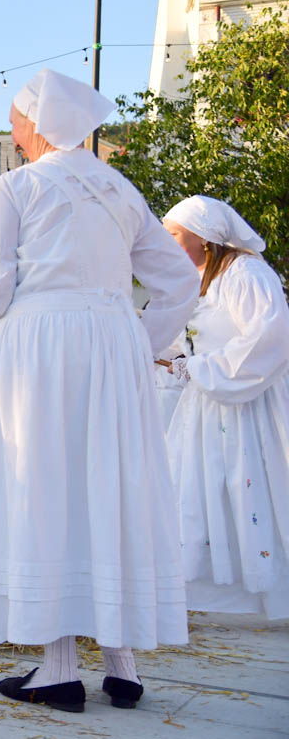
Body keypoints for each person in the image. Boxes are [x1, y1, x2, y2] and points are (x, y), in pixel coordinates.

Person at [0, 69, 199, 712]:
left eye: (15, 120)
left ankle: (60, 669)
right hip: (110, 346)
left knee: (42, 485)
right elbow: (180, 282)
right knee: (105, 486)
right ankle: (122, 666)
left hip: (40, 348)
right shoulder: (120, 190)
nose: (11, 132)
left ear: (38, 127)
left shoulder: (20, 186)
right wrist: (136, 342)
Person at [162, 195, 289, 620]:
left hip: (249, 402)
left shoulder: (246, 272)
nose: (167, 243)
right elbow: (183, 340)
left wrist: (203, 369)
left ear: (206, 239)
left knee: (246, 482)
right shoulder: (194, 280)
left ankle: (259, 591)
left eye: (174, 234)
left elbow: (267, 336)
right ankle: (200, 586)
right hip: (205, 405)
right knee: (197, 488)